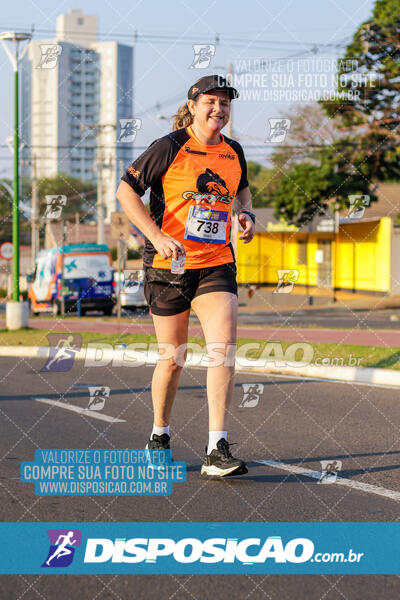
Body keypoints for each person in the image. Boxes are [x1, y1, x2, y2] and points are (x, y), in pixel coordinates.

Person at [116, 74, 255, 477]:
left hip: (215, 263)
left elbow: (242, 191)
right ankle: (159, 434)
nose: (218, 109)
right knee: (173, 358)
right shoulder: (169, 146)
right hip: (167, 267)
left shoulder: (234, 152)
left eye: (225, 103)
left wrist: (245, 213)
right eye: (210, 102)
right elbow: (126, 191)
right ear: (193, 105)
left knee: (223, 348)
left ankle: (217, 448)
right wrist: (157, 235)